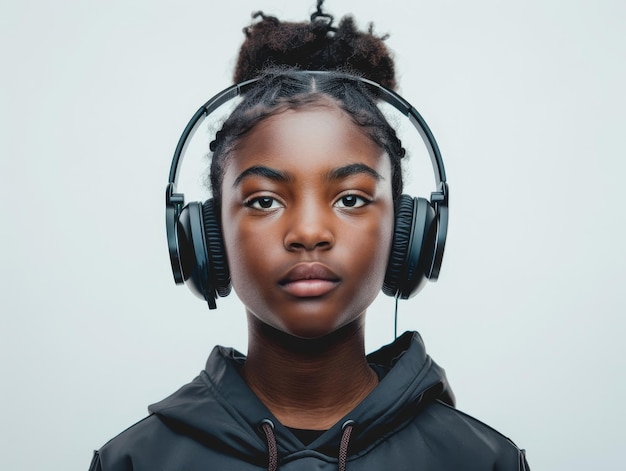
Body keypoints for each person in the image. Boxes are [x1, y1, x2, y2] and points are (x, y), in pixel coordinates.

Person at [89, 2, 530, 470]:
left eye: (351, 199)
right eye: (264, 201)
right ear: (208, 235)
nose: (309, 233)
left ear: (406, 232)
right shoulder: (135, 461)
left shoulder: (482, 462)